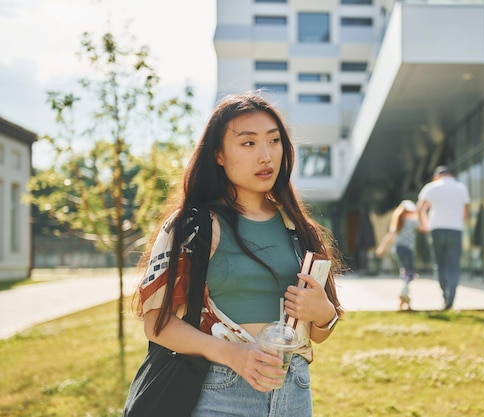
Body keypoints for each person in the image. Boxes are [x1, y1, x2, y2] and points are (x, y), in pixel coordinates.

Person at [131, 92, 343, 416]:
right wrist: (232, 356)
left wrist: (324, 311)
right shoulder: (193, 226)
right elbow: (157, 325)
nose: (266, 156)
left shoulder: (298, 228)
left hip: (294, 391)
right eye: (248, 143)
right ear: (218, 154)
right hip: (221, 390)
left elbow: (318, 332)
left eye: (274, 141)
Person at [417, 165, 470, 310]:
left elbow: (420, 209)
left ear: (436, 176)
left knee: (440, 265)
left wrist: (425, 224)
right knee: (453, 265)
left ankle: (445, 296)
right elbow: (465, 214)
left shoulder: (432, 187)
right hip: (455, 230)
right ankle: (451, 298)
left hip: (437, 230)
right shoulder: (461, 188)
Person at [374, 200, 420, 310]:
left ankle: (404, 300)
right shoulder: (411, 222)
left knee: (405, 272)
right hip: (407, 250)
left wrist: (381, 248)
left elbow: (390, 236)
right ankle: (404, 293)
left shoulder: (398, 222)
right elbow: (423, 226)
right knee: (410, 274)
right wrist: (419, 213)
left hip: (398, 249)